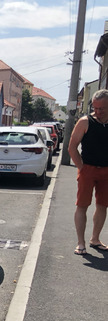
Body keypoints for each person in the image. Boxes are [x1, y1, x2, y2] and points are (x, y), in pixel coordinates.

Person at [68, 89, 108, 255]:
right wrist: (81, 168)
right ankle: (81, 243)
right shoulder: (85, 122)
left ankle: (95, 239)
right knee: (82, 205)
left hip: (106, 171)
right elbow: (72, 147)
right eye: (96, 108)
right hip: (88, 169)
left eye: (102, 108)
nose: (98, 112)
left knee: (102, 205)